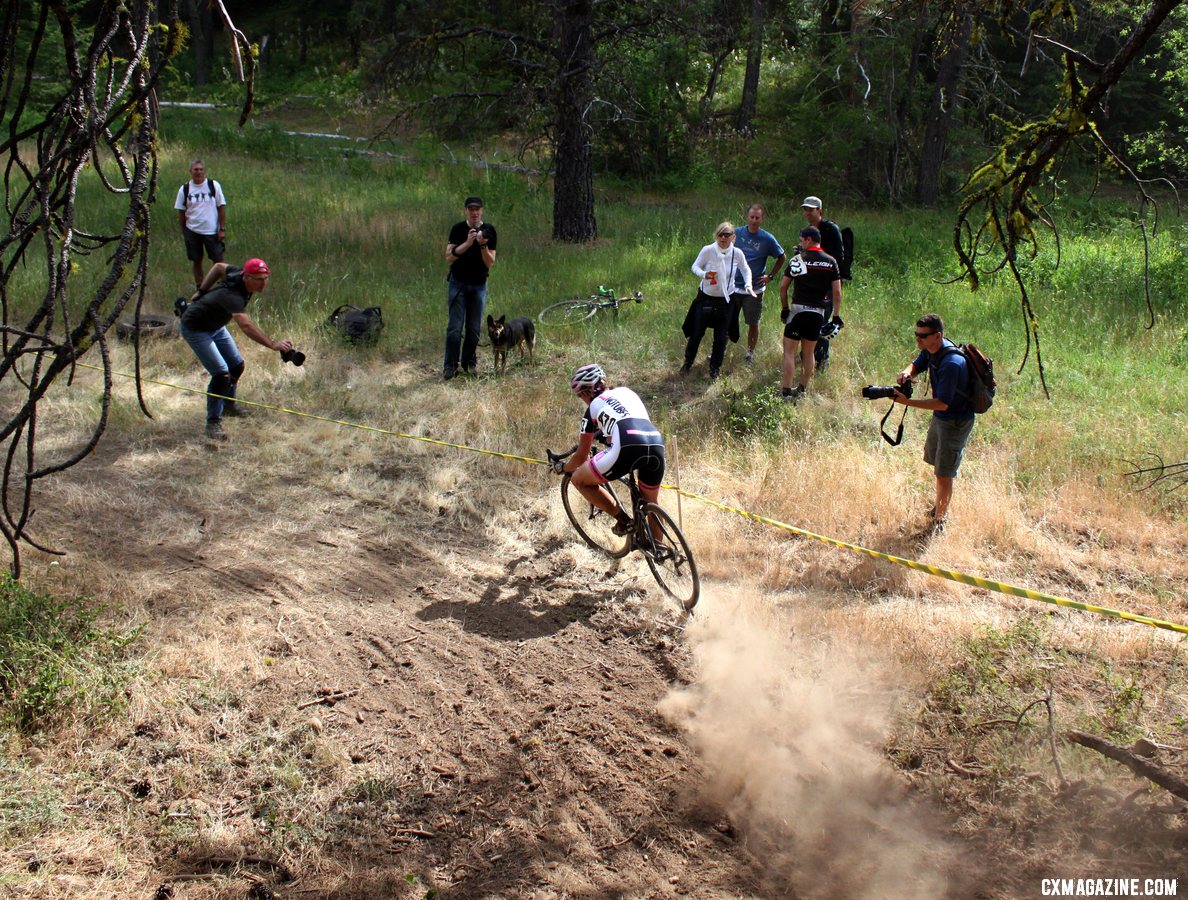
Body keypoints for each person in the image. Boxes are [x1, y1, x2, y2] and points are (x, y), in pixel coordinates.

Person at [179, 258, 294, 442]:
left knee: (236, 366)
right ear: (246, 277)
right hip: (196, 328)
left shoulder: (236, 272)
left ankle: (229, 406)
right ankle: (213, 423)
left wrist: (200, 291)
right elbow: (246, 326)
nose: (263, 283)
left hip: (216, 325)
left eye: (265, 278)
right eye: (258, 279)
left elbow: (217, 267)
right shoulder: (232, 295)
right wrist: (273, 345)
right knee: (221, 374)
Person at [558, 364, 665, 538]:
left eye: (580, 395)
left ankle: (624, 521)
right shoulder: (627, 392)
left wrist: (563, 468)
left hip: (628, 445)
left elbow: (580, 456)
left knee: (579, 479)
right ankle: (660, 550)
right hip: (655, 441)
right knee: (651, 501)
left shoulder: (592, 408)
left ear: (585, 392)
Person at [893, 313, 975, 532]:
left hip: (955, 421)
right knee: (937, 463)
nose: (918, 340)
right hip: (942, 418)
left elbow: (942, 404)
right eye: (916, 334)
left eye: (923, 336)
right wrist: (906, 373)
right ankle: (940, 507)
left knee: (944, 472)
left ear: (937, 336)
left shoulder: (951, 363)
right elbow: (917, 364)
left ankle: (940, 520)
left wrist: (907, 402)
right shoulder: (931, 350)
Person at [682, 221, 754, 379]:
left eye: (726, 235)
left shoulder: (737, 253)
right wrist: (704, 274)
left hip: (726, 300)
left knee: (721, 338)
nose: (723, 238)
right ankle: (687, 363)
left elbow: (746, 269)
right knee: (696, 333)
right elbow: (695, 266)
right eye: (720, 234)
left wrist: (748, 284)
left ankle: (714, 370)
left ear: (733, 237)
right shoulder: (708, 250)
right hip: (705, 299)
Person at [777, 226, 842, 401]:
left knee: (789, 352)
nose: (800, 243)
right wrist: (835, 316)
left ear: (808, 239)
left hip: (798, 310)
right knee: (809, 353)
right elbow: (837, 293)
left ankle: (785, 391)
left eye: (801, 240)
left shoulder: (799, 259)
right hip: (818, 313)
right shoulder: (831, 261)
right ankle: (802, 389)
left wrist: (785, 309)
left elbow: (783, 287)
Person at [443, 195, 497, 380]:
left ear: (482, 210)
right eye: (471, 209)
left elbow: (490, 262)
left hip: (478, 286)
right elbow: (449, 256)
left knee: (474, 330)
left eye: (477, 209)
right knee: (454, 328)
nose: (474, 212)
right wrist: (467, 243)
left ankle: (468, 363)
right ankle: (450, 366)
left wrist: (483, 245)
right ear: (466, 210)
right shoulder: (458, 229)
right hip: (458, 284)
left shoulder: (489, 230)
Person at [733, 204, 786, 366]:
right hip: (733, 286)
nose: (754, 220)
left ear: (762, 219)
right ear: (747, 217)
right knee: (727, 320)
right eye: (751, 217)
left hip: (754, 290)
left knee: (753, 322)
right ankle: (720, 350)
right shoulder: (737, 233)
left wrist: (770, 276)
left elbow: (782, 257)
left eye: (757, 217)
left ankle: (749, 353)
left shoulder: (767, 239)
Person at [801, 196, 847, 369]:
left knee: (821, 322)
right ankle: (808, 356)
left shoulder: (831, 229)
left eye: (811, 209)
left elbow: (838, 258)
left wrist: (817, 254)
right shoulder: (806, 231)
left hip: (827, 284)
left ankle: (822, 359)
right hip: (808, 285)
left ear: (819, 210)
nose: (807, 213)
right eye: (805, 209)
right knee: (807, 321)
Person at [174, 159, 227, 290]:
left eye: (201, 169)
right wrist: (184, 230)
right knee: (196, 260)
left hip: (212, 231)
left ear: (204, 170)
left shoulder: (213, 185)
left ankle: (226, 285)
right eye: (195, 170)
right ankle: (201, 287)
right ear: (190, 171)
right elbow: (181, 211)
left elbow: (221, 208)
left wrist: (222, 229)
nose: (198, 172)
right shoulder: (185, 189)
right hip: (192, 231)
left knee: (218, 260)